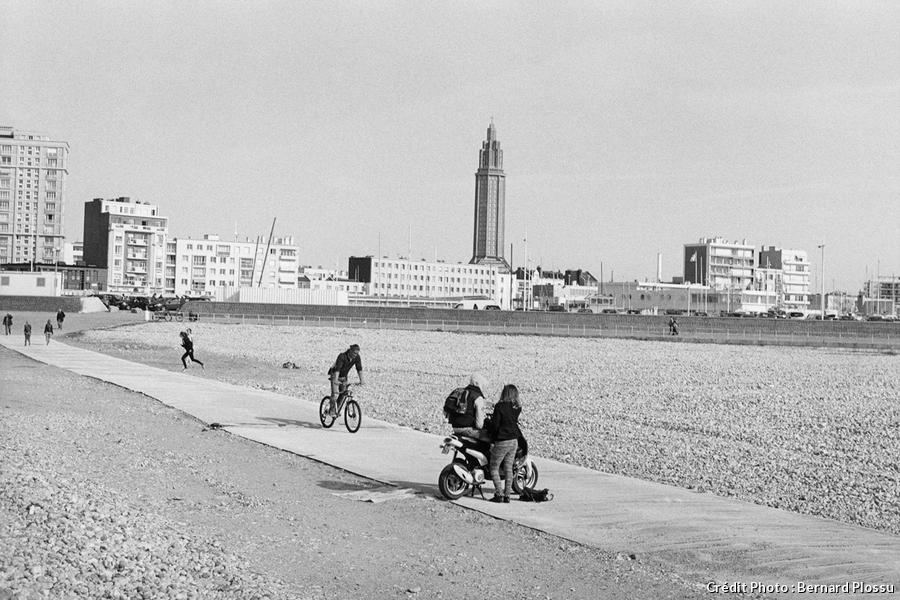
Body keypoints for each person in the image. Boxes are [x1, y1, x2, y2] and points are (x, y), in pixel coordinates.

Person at [488, 384, 522, 503]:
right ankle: (507, 495)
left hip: (503, 440)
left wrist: (492, 441)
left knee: (493, 467)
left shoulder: (499, 406)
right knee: (508, 468)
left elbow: (495, 426)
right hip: (514, 441)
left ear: (504, 393)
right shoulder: (517, 408)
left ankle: (499, 494)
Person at [448, 373, 491, 443]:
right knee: (492, 439)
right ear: (477, 383)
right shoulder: (478, 397)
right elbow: (479, 425)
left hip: (455, 428)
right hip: (468, 430)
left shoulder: (460, 392)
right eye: (483, 385)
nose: (483, 388)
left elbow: (446, 411)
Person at [327, 344, 364, 416]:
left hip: (344, 377)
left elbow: (359, 369)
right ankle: (331, 410)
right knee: (335, 393)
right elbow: (337, 369)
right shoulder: (342, 356)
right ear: (350, 351)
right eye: (354, 353)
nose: (355, 355)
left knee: (343, 394)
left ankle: (336, 409)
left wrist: (362, 380)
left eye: (357, 353)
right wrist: (336, 381)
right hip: (335, 375)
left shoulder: (357, 357)